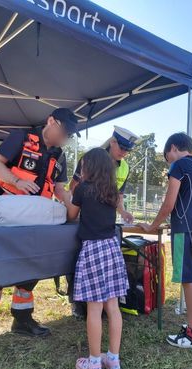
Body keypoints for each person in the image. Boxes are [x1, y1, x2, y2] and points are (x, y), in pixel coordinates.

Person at [0, 108, 80, 349]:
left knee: (30, 268)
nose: (65, 138)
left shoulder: (59, 155)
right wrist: (17, 181)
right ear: (51, 121)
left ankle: (22, 320)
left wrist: (73, 204)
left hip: (35, 221)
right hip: (6, 211)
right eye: (64, 131)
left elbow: (59, 189)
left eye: (69, 135)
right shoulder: (20, 138)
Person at [138, 132, 192, 348]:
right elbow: (191, 200)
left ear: (173, 148)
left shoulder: (178, 166)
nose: (167, 160)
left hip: (183, 232)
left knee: (187, 280)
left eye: (166, 156)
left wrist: (152, 225)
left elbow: (170, 203)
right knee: (191, 280)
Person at [63, 148, 129, 369]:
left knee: (94, 308)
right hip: (112, 248)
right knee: (113, 307)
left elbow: (71, 215)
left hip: (92, 250)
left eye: (83, 166)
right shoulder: (112, 191)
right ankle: (113, 360)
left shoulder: (82, 189)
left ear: (89, 168)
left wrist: (62, 193)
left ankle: (93, 366)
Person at [68, 126, 138, 318]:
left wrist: (122, 212)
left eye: (127, 150)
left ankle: (105, 302)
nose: (124, 153)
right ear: (112, 141)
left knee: (104, 268)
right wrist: (77, 203)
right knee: (76, 261)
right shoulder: (91, 158)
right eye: (122, 147)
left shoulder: (124, 167)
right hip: (84, 219)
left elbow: (118, 195)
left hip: (103, 227)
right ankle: (77, 302)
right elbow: (74, 186)